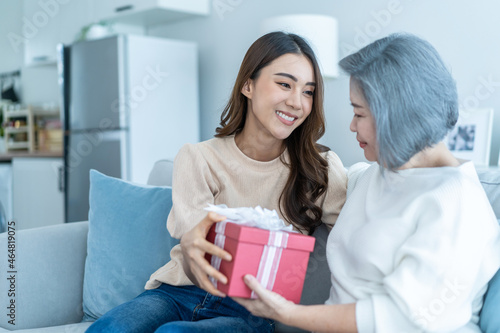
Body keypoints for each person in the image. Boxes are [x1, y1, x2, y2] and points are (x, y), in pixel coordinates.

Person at [233, 33, 500, 332]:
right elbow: (317, 179)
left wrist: (287, 313)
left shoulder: (458, 206)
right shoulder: (380, 173)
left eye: (359, 112)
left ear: (397, 116)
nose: (351, 125)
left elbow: (395, 320)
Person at [86, 31, 347, 332]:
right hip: (175, 293)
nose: (296, 102)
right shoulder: (198, 157)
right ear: (248, 85)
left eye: (308, 92)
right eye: (285, 84)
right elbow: (192, 237)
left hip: (251, 309)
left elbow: (356, 234)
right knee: (109, 329)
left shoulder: (321, 167)